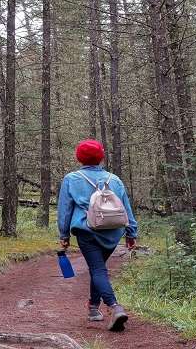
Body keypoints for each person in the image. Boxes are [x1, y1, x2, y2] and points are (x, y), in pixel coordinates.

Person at [57, 139, 138, 332]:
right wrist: (131, 232)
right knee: (98, 268)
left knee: (98, 270)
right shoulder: (115, 179)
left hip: (88, 232)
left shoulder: (72, 179)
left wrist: (64, 234)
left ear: (79, 158)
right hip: (113, 232)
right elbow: (126, 208)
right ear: (101, 156)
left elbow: (65, 210)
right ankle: (93, 308)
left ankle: (114, 307)